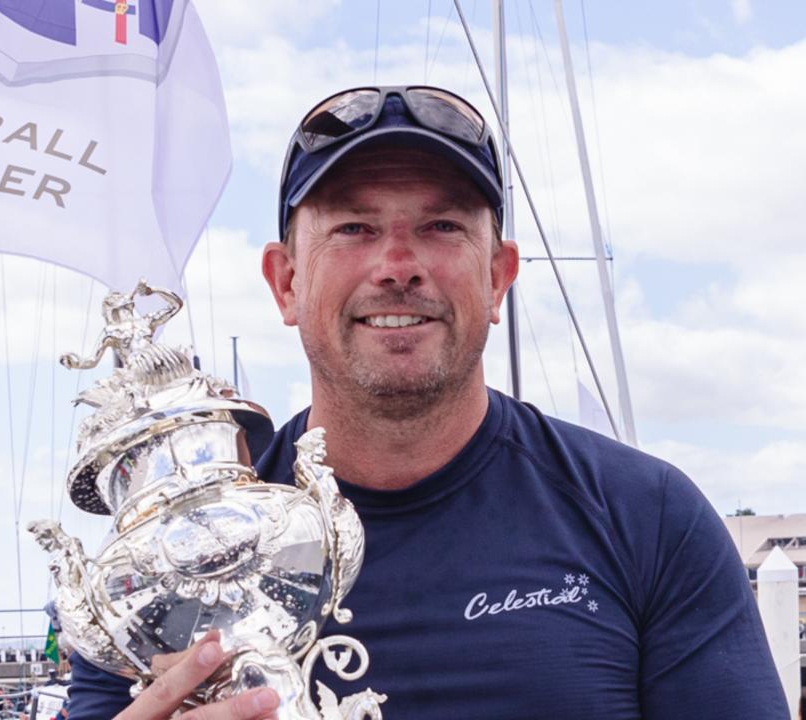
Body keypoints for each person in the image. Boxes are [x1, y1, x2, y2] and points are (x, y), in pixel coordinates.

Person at [65, 86, 789, 719]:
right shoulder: (166, 565)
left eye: (441, 227)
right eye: (353, 228)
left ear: (498, 276)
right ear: (283, 282)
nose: (396, 267)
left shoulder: (645, 516)